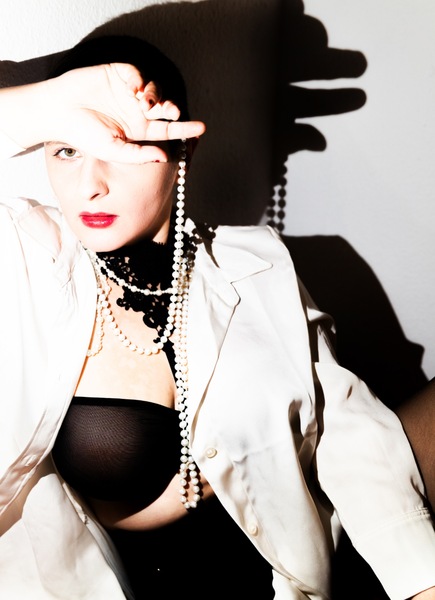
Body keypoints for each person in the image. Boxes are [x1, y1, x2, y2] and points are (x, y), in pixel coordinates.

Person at [0, 33, 434, 600]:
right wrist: (42, 105)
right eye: (66, 151)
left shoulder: (255, 263)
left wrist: (419, 584)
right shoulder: (28, 256)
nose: (91, 186)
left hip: (293, 571)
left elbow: (344, 431)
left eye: (124, 146)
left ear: (183, 149)